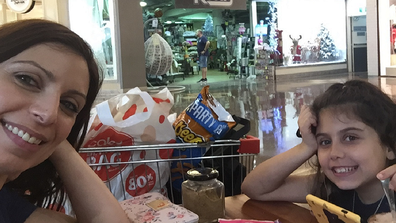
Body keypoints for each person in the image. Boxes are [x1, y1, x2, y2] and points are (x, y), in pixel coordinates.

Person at [0, 19, 129, 223]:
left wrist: (51, 138)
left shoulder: (7, 205)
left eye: (69, 105)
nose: (49, 113)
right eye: (26, 79)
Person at [241, 79, 396, 223]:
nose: (335, 153)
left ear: (389, 147)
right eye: (325, 142)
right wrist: (305, 146)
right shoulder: (328, 188)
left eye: (350, 138)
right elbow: (255, 188)